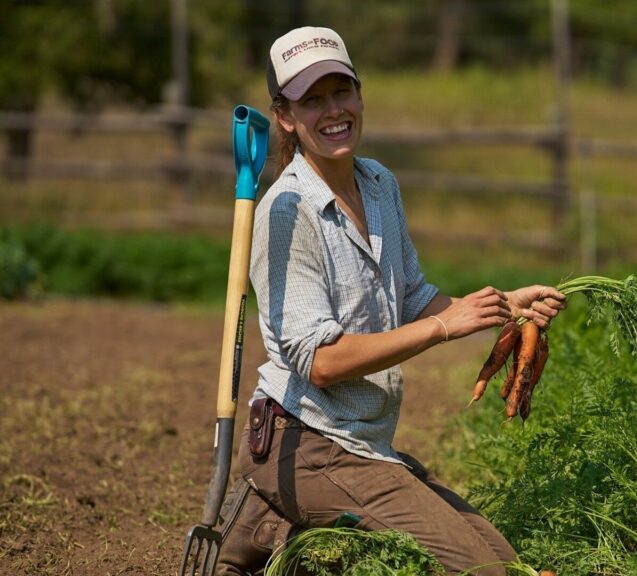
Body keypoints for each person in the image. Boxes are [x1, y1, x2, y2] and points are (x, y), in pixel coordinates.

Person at [215, 26, 565, 576]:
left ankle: (280, 526)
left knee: (503, 558)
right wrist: (444, 329)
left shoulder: (379, 183)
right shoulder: (285, 213)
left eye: (342, 92)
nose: (334, 111)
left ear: (359, 94)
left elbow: (412, 297)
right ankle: (278, 522)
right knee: (481, 572)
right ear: (284, 115)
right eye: (312, 99)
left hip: (365, 444)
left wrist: (504, 305)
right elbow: (322, 362)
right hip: (307, 442)